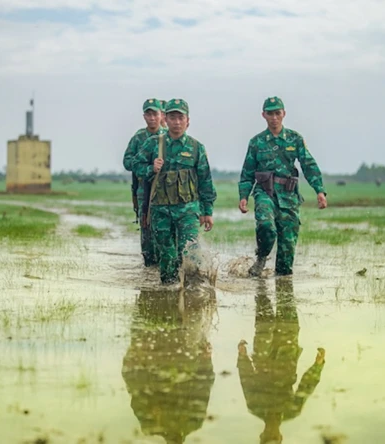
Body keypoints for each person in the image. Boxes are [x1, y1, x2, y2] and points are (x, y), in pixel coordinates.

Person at [238, 96, 328, 277]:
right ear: (263, 115)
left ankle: (284, 290)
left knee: (287, 252)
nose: (274, 117)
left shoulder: (295, 139)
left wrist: (319, 190)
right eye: (270, 113)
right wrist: (244, 196)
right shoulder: (256, 142)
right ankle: (262, 257)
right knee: (266, 226)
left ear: (284, 114)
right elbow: (247, 172)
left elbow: (308, 165)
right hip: (265, 192)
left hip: (288, 196)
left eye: (277, 113)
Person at [133, 98, 217, 285]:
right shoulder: (154, 144)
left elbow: (205, 181)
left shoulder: (196, 148)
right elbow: (134, 164)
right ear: (166, 119)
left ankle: (192, 291)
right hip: (161, 210)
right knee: (167, 256)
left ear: (188, 121)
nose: (177, 122)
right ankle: (169, 296)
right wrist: (150, 169)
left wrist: (207, 212)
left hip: (188, 210)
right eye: (172, 117)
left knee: (189, 252)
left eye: (180, 117)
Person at [121, 288, 216, 443]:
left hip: (156, 354)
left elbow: (133, 385)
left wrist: (132, 356)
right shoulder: (192, 421)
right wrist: (206, 359)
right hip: (177, 354)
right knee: (188, 298)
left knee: (153, 296)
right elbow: (204, 385)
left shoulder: (150, 424)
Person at [237, 279, 325, 443]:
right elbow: (306, 386)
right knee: (287, 302)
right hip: (287, 351)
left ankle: (261, 277)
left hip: (263, 353)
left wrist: (242, 356)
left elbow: (246, 379)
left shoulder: (254, 407)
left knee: (262, 301)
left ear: (261, 436)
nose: (271, 433)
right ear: (280, 437)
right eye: (274, 438)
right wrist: (318, 365)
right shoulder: (292, 411)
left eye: (267, 437)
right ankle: (281, 276)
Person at [123, 98, 167, 266]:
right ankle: (149, 265)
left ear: (161, 115)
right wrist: (147, 166)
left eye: (154, 114)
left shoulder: (168, 136)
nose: (152, 118)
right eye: (148, 114)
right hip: (143, 190)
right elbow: (127, 163)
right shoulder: (138, 138)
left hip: (166, 191)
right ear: (144, 117)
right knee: (147, 227)